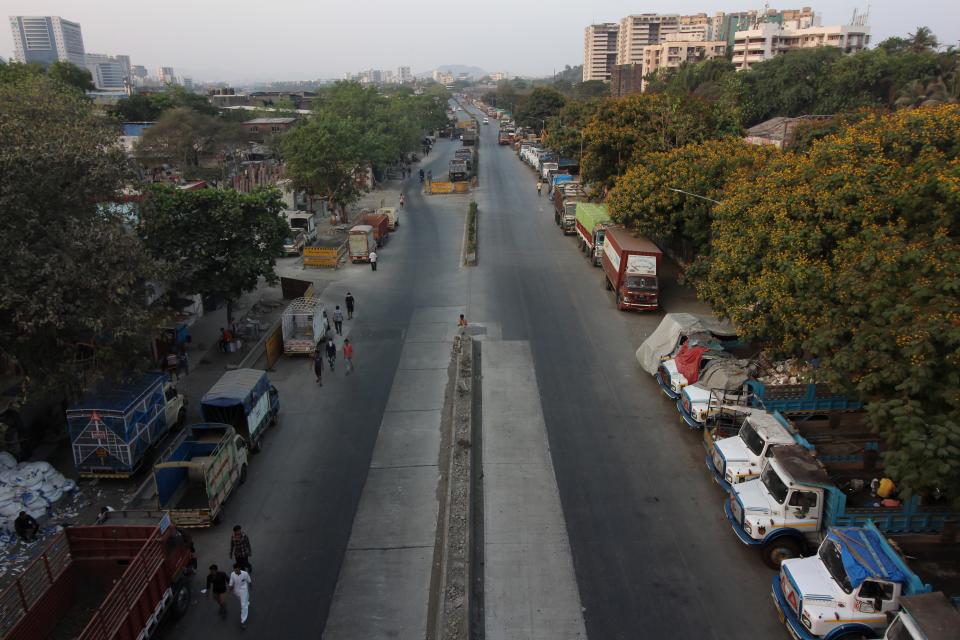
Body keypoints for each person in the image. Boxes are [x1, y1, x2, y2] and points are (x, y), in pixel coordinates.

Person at [229, 563, 252, 629]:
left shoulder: (245, 573)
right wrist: (229, 591)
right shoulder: (232, 574)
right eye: (234, 569)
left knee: (243, 605)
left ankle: (243, 621)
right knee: (244, 601)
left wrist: (250, 586)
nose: (235, 570)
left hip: (243, 591)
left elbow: (249, 580)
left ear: (239, 568)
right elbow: (231, 583)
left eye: (237, 569)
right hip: (236, 592)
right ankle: (246, 603)